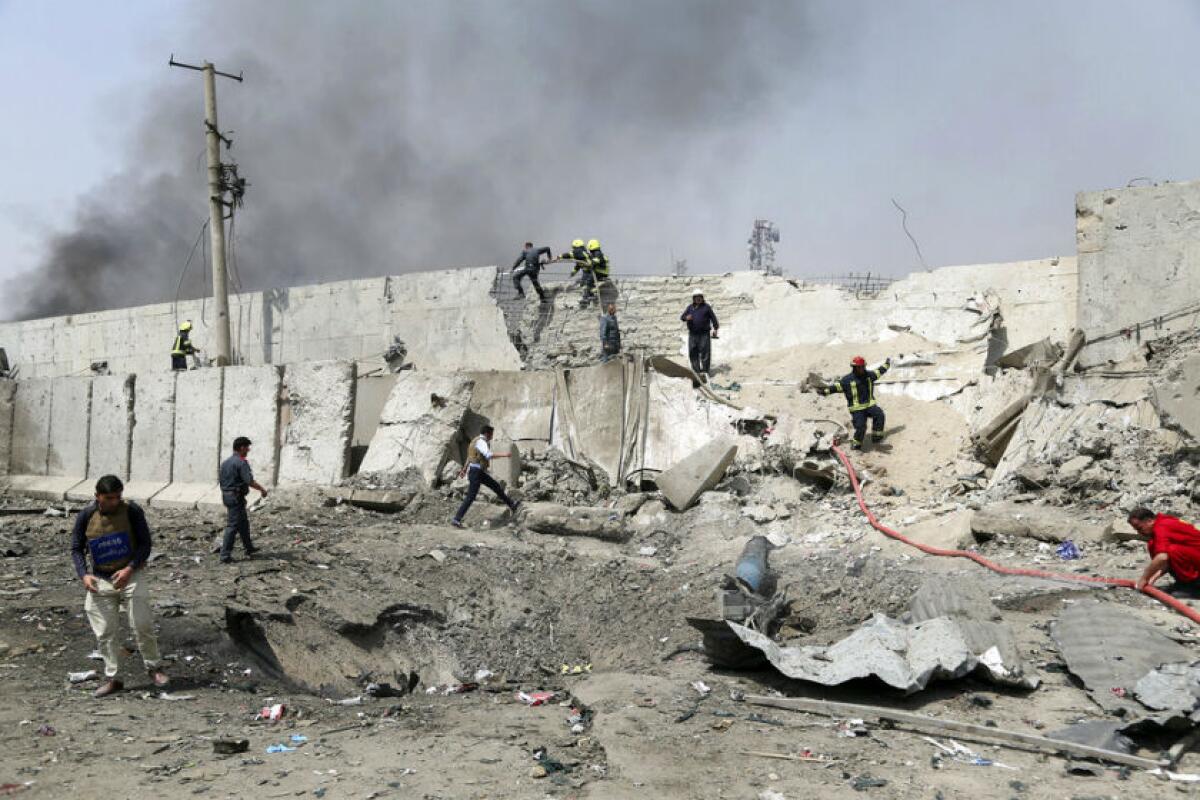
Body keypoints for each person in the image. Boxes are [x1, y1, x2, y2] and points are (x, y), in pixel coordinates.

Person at [70, 475, 168, 698]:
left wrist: (129, 569)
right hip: (100, 579)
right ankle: (114, 678)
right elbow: (76, 548)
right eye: (109, 498)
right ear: (97, 496)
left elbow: (145, 544)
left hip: (130, 574)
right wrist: (83, 575)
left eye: (117, 497)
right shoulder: (86, 515)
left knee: (141, 623)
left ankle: (154, 668)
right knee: (105, 631)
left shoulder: (132, 511)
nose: (114, 502)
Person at [817, 356, 891, 450]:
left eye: (862, 367)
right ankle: (856, 443)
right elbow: (835, 387)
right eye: (858, 367)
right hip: (857, 409)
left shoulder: (869, 375)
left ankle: (877, 437)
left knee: (880, 415)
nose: (861, 369)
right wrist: (824, 392)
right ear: (854, 368)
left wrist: (887, 364)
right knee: (861, 427)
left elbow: (879, 371)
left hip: (870, 405)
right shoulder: (847, 380)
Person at [451, 425, 519, 528]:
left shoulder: (474, 440)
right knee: (471, 496)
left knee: (495, 486)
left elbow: (470, 457)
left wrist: (464, 469)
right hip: (476, 472)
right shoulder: (481, 442)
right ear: (488, 433)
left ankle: (512, 504)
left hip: (477, 471)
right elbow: (488, 455)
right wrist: (505, 455)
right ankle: (456, 519)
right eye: (491, 434)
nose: (492, 437)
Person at [218, 436, 269, 563]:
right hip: (236, 498)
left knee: (243, 524)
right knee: (232, 526)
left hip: (227, 496)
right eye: (247, 447)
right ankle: (225, 555)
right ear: (241, 448)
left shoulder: (226, 463)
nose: (248, 450)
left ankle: (249, 547)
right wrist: (262, 490)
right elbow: (249, 481)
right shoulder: (241, 462)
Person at [1128, 508, 1200, 592]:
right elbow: (1165, 562)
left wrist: (1143, 579)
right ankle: (1183, 583)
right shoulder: (1161, 523)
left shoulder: (1162, 526)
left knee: (1172, 550)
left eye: (1140, 528)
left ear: (1149, 521)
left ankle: (1193, 587)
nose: (1139, 533)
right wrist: (1151, 579)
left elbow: (1162, 557)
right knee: (1154, 545)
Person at [681, 292, 719, 379]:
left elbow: (713, 318)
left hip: (704, 334)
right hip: (693, 334)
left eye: (700, 297)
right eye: (696, 297)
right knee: (693, 352)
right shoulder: (690, 308)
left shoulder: (706, 307)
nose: (698, 299)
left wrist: (715, 329)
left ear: (702, 298)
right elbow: (682, 317)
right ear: (693, 298)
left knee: (705, 353)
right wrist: (686, 318)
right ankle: (697, 372)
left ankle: (705, 372)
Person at [559, 239, 596, 308]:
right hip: (589, 271)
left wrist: (559, 256)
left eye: (574, 247)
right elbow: (578, 265)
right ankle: (590, 296)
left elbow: (569, 254)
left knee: (585, 284)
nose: (573, 249)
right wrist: (573, 272)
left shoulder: (579, 252)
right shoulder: (583, 254)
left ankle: (586, 298)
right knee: (586, 284)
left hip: (589, 271)